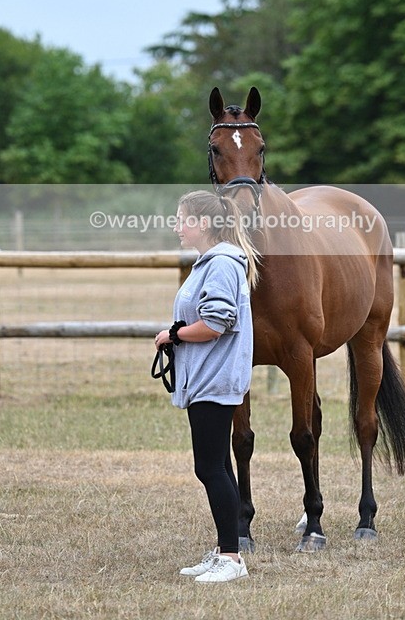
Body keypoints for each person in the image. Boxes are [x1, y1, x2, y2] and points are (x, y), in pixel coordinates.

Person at [154, 189, 259, 584]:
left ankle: (231, 558)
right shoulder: (211, 263)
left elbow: (216, 323)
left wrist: (174, 334)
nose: (177, 226)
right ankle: (226, 550)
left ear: (202, 224)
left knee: (210, 468)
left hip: (213, 380)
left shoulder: (220, 266)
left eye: (182, 219)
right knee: (219, 468)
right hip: (207, 379)